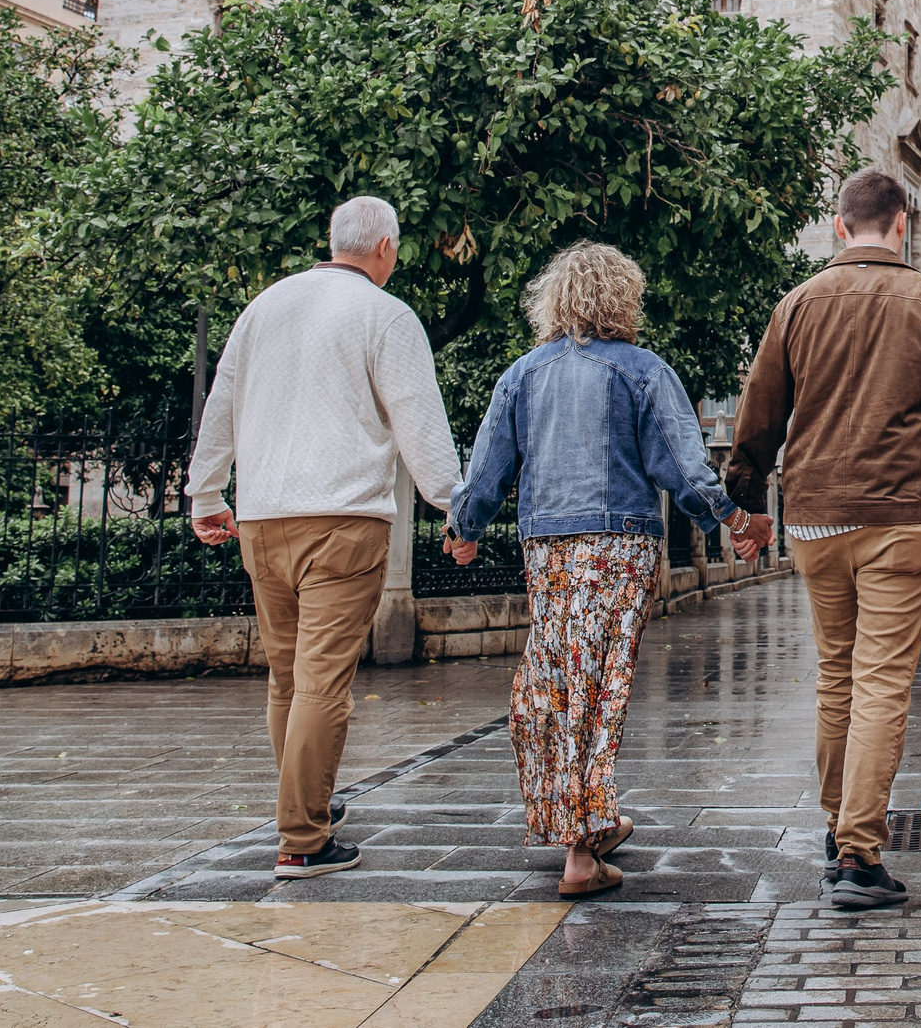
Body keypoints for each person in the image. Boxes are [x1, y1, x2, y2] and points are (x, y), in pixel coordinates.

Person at [444, 242, 773, 899]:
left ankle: (581, 820)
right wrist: (735, 522)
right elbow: (683, 469)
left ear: (556, 301)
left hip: (547, 548)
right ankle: (581, 843)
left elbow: (486, 469)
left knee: (559, 679)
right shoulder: (643, 371)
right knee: (600, 684)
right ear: (622, 300)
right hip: (618, 547)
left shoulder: (523, 374)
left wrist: (465, 527)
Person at [725, 169, 921, 912]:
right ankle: (857, 852)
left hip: (815, 514)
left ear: (841, 227)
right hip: (904, 515)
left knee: (836, 675)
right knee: (880, 681)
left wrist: (747, 505)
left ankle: (839, 821)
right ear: (901, 225)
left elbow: (758, 417)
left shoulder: (798, 304)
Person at [188, 196, 463, 880]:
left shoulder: (266, 306)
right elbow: (419, 424)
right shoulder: (386, 315)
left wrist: (204, 491)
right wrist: (456, 504)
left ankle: (305, 801)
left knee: (286, 676)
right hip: (343, 516)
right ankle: (303, 836)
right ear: (385, 248)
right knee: (323, 683)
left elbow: (222, 400)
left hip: (261, 516)